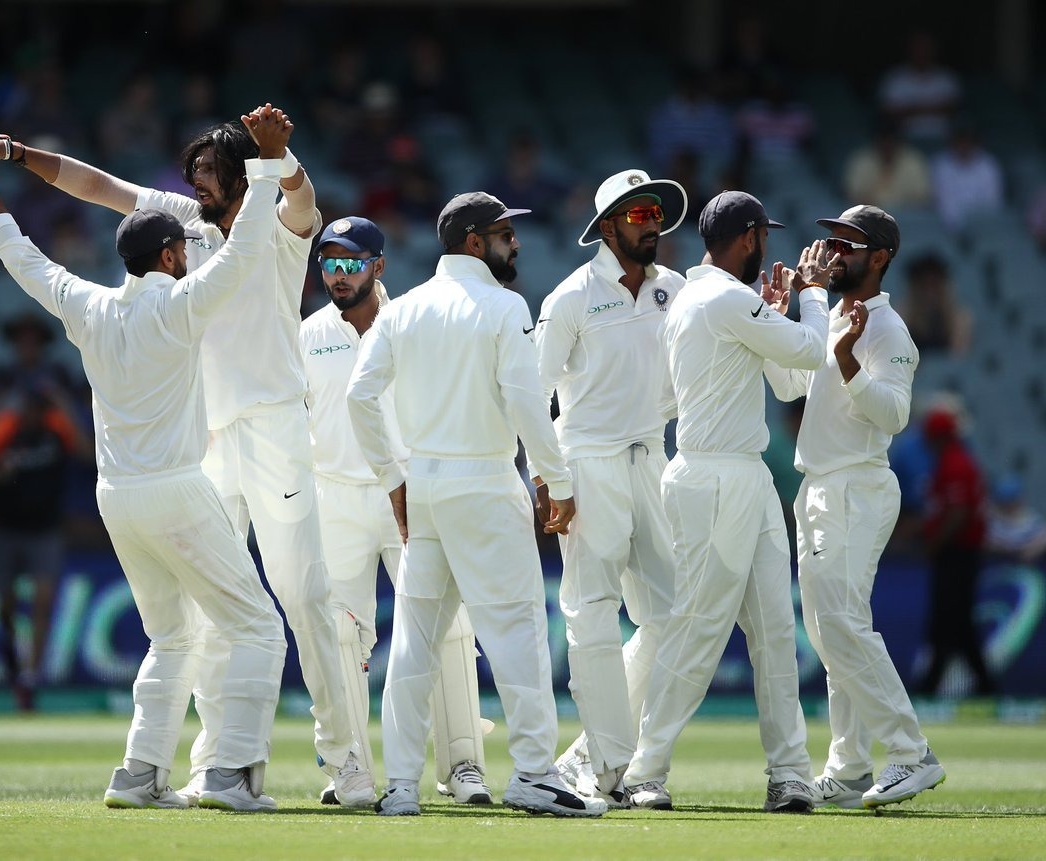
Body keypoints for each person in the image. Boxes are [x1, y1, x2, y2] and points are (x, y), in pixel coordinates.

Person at [0, 105, 375, 806]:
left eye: (211, 173)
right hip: (201, 437)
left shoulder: (280, 224)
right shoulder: (183, 226)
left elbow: (303, 196)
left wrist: (276, 155)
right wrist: (14, 152)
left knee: (304, 596)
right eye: (194, 173)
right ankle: (214, 764)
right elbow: (97, 188)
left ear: (242, 174)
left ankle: (347, 762)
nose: (198, 185)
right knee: (203, 615)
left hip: (274, 428)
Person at [346, 192, 606, 818]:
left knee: (413, 646)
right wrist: (559, 484)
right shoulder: (504, 305)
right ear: (472, 242)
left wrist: (395, 476)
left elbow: (359, 396)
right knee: (517, 634)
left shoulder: (402, 310)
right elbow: (525, 402)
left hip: (427, 485)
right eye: (502, 232)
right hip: (485, 484)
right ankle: (536, 775)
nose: (513, 241)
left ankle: (402, 786)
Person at [623, 191, 829, 813]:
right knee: (698, 628)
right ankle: (645, 770)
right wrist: (814, 295)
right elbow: (814, 351)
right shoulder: (720, 298)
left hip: (744, 477)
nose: (768, 246)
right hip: (714, 478)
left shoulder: (709, 300)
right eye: (763, 235)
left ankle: (789, 771)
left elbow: (791, 380)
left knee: (773, 628)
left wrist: (776, 313)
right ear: (748, 238)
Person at [300, 215, 492, 806]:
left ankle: (463, 765)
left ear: (378, 266)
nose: (337, 274)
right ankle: (349, 767)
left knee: (449, 625)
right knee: (341, 634)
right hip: (334, 495)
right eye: (328, 263)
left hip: (410, 494)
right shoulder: (307, 335)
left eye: (350, 262)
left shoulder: (413, 321)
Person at [764, 205, 946, 810]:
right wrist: (777, 318)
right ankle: (846, 769)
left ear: (881, 257)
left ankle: (910, 753)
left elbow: (894, 415)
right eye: (832, 240)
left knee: (837, 625)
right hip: (822, 487)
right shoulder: (837, 313)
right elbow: (790, 386)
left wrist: (846, 362)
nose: (835, 251)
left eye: (850, 243)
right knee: (836, 630)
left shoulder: (888, 329)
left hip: (857, 486)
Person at [536, 169, 687, 808]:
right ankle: (605, 768)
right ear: (605, 228)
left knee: (674, 614)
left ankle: (602, 754)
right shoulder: (570, 297)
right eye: (636, 214)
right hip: (588, 462)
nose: (650, 222)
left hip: (651, 457)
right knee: (592, 611)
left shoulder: (674, 290)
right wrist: (548, 480)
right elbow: (530, 396)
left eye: (654, 212)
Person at [0, 381, 83, 710]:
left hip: (45, 528)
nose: (35, 414)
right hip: (5, 527)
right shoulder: (4, 428)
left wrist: (65, 406)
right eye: (30, 407)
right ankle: (12, 657)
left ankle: (31, 677)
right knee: (6, 605)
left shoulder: (56, 425)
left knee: (44, 599)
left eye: (41, 408)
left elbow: (86, 452)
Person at [917, 405, 997, 697]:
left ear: (938, 437)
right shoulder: (953, 462)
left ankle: (929, 686)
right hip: (957, 553)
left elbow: (959, 513)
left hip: (958, 554)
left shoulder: (955, 464)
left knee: (948, 619)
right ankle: (985, 686)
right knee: (958, 622)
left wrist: (933, 544)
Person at [986, 476, 1046, 566]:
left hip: (1029, 571)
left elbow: (1028, 555)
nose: (1009, 506)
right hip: (997, 570)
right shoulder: (991, 522)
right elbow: (986, 544)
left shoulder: (1033, 521)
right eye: (1005, 503)